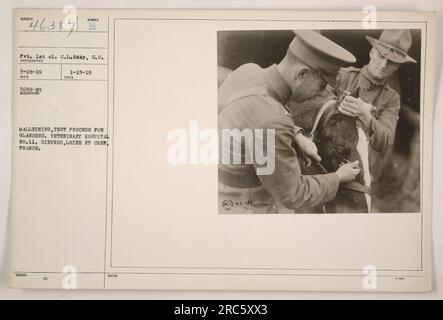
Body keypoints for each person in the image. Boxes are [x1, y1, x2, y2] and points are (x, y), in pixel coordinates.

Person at [218, 30, 360, 214]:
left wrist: (296, 133)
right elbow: (293, 194)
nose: (321, 93)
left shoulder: (248, 70)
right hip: (243, 205)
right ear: (302, 74)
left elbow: (253, 113)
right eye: (322, 85)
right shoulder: (273, 120)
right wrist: (338, 177)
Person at [335, 29, 417, 180]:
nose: (384, 65)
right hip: (327, 158)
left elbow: (385, 141)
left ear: (398, 67)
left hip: (359, 169)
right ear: (372, 53)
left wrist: (366, 115)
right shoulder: (342, 76)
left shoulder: (391, 99)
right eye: (381, 56)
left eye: (392, 62)